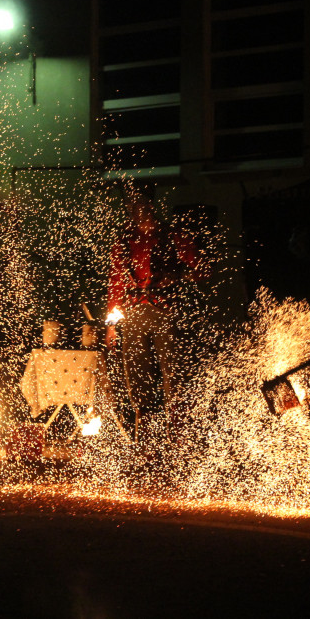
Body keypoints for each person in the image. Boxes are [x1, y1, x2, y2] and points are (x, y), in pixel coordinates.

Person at [105, 183, 206, 442]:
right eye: (133, 206)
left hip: (165, 311)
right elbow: (116, 282)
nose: (139, 210)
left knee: (173, 371)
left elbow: (202, 271)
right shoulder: (124, 241)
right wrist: (111, 324)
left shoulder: (173, 236)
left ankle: (179, 431)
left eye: (142, 204)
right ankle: (146, 431)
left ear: (152, 206)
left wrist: (179, 273)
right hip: (134, 313)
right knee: (137, 373)